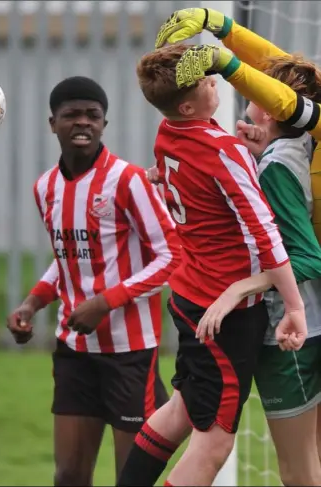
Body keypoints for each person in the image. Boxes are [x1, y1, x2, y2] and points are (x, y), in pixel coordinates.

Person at [117, 44, 307, 487]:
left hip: (189, 294)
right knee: (215, 443)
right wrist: (294, 307)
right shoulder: (224, 151)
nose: (215, 81)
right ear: (188, 104)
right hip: (223, 314)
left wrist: (244, 154)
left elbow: (200, 181)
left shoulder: (168, 131)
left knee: (181, 409)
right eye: (205, 81)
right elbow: (265, 234)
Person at [6, 76, 181, 486]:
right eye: (71, 115)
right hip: (75, 350)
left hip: (131, 354)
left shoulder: (129, 180)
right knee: (68, 475)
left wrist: (106, 301)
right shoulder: (45, 188)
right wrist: (32, 304)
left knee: (131, 478)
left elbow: (174, 255)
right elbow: (68, 260)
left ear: (104, 123)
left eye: (92, 115)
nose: (82, 122)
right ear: (53, 123)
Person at [154, 6, 321, 245]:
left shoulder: (281, 162)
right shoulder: (286, 148)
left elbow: (288, 102)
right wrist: (220, 25)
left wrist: (228, 65)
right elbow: (281, 71)